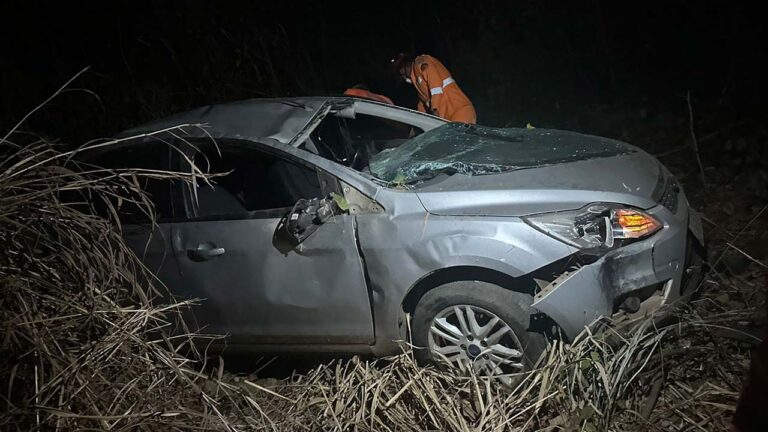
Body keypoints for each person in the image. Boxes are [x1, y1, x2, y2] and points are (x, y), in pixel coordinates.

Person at [391, 53, 476, 124]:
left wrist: (435, 110)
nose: (402, 76)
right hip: (447, 119)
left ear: (404, 67)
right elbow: (422, 105)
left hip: (459, 110)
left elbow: (436, 87)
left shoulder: (421, 62)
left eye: (400, 72)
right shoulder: (417, 82)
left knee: (459, 142)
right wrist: (417, 123)